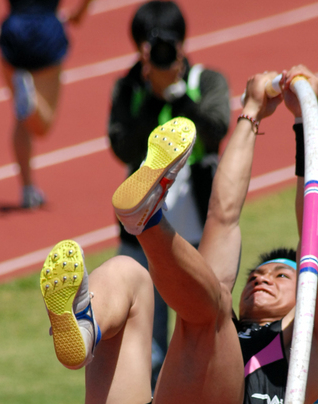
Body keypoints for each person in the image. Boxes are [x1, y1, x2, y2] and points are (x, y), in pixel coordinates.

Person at [40, 65, 318, 404]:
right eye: (258, 273)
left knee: (210, 309)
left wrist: (309, 120)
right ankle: (82, 329)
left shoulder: (312, 342)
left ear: (302, 295)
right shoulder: (224, 319)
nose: (261, 278)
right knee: (129, 274)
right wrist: (251, 114)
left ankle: (146, 219)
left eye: (281, 276)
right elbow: (223, 213)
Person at [108, 0, 230, 384]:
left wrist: (177, 93)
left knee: (205, 330)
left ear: (182, 43)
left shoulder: (206, 79)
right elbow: (122, 147)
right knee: (145, 342)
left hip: (200, 228)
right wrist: (152, 97)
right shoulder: (129, 86)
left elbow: (215, 132)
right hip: (142, 233)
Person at [0, 0, 93, 208]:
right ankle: (32, 101)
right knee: (42, 126)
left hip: (13, 33)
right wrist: (81, 11)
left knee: (21, 116)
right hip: (47, 32)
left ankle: (27, 189)